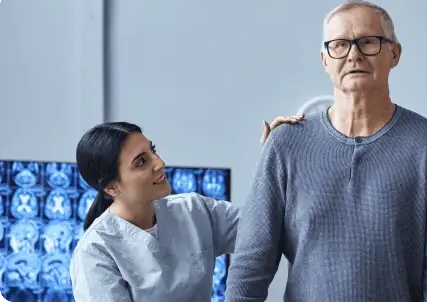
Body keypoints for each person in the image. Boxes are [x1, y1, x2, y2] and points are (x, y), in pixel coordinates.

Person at [225, 0, 427, 302]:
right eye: (339, 45)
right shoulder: (285, 145)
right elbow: (250, 267)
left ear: (394, 53)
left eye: (368, 42)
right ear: (325, 59)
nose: (354, 55)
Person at [69, 115, 302, 301]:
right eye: (141, 162)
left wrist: (276, 160)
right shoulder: (95, 253)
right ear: (111, 187)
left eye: (153, 151)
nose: (159, 163)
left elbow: (267, 227)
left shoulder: (194, 211)